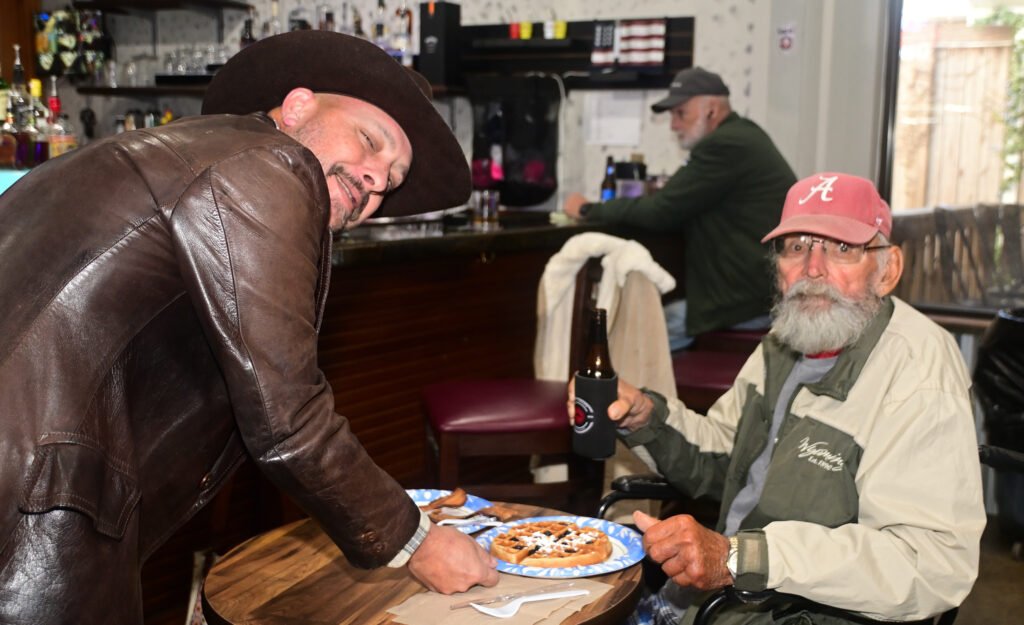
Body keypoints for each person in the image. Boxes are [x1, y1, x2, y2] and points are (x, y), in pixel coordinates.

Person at [0, 31, 498, 624]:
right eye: (370, 141)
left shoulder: (193, 152)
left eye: (390, 181)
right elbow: (286, 416)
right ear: (297, 105)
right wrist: (416, 541)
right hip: (35, 495)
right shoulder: (270, 163)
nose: (375, 181)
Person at [572, 173, 986, 624]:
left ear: (887, 269)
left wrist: (743, 557)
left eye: (841, 248)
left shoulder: (919, 372)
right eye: (795, 247)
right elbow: (726, 456)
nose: (812, 268)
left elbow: (930, 564)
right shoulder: (788, 338)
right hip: (713, 603)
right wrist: (646, 418)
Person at [564, 67, 796, 351]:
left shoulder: (724, 145)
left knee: (626, 337)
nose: (673, 125)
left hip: (743, 302)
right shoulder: (744, 135)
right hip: (758, 293)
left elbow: (660, 210)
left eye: (680, 113)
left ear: (711, 110)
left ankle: (629, 396)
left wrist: (589, 209)